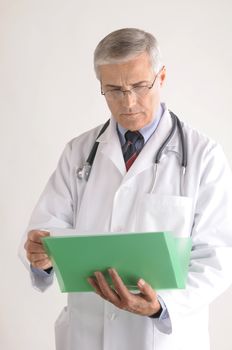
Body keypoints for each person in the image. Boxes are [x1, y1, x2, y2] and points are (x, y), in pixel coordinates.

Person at [20, 28, 232, 350]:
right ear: (101, 88)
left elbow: (218, 256)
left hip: (161, 338)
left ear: (161, 78)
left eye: (138, 86)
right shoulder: (79, 152)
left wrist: (161, 304)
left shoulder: (204, 156)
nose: (128, 102)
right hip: (87, 334)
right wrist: (41, 256)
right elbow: (48, 230)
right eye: (114, 90)